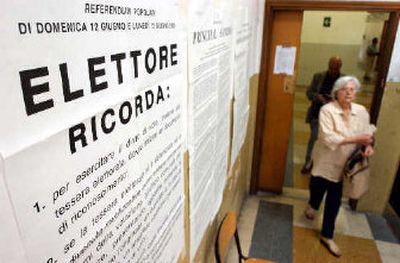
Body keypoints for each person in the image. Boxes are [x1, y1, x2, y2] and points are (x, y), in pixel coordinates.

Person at [304, 76, 376, 257]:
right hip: (325, 160)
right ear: (337, 92)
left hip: (344, 165)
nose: (349, 92)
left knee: (334, 200)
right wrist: (357, 139)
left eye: (353, 89)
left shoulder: (361, 111)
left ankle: (327, 235)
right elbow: (328, 138)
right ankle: (313, 205)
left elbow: (368, 133)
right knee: (317, 185)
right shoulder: (327, 110)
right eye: (345, 89)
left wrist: (367, 146)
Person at [301, 56, 343, 174]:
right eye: (331, 67)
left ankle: (324, 165)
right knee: (314, 139)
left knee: (330, 142)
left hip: (335, 117)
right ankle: (308, 163)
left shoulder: (344, 80)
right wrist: (317, 97)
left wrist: (336, 101)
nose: (333, 70)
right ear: (328, 65)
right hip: (318, 113)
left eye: (336, 68)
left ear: (340, 67)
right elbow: (309, 93)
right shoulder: (318, 76)